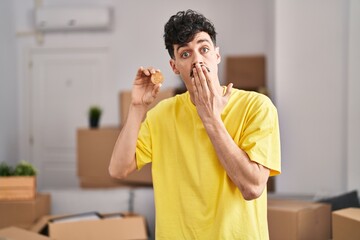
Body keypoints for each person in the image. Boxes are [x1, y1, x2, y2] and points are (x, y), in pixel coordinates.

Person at [109, 9, 281, 240]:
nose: (198, 59)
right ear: (174, 66)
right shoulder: (162, 114)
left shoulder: (257, 107)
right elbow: (118, 169)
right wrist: (137, 107)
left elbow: (252, 188)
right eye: (185, 53)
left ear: (217, 55)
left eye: (204, 49)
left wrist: (210, 117)